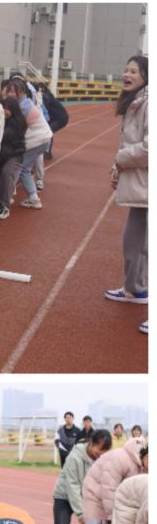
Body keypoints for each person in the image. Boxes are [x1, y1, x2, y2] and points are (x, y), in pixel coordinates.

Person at [106, 55, 148, 333]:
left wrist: (121, 160)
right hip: (143, 184)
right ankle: (136, 289)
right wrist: (118, 166)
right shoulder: (136, 102)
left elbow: (148, 148)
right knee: (132, 241)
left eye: (134, 71)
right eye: (126, 69)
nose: (127, 74)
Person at [51, 429, 112, 524]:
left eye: (105, 451)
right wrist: (80, 513)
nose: (101, 454)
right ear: (91, 443)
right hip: (64, 496)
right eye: (100, 449)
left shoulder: (102, 460)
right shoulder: (75, 457)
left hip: (88, 496)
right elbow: (72, 485)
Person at [4, 77, 52, 211]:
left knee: (18, 166)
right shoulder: (25, 102)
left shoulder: (22, 106)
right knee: (25, 168)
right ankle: (33, 198)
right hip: (43, 138)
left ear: (21, 92)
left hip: (37, 140)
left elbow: (17, 127)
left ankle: (6, 196)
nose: (9, 94)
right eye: (9, 91)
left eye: (12, 91)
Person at [0, 96, 26, 220]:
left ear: (13, 110)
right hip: (0, 156)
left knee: (6, 173)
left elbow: (4, 135)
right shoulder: (1, 119)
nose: (4, 111)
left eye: (7, 108)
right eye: (3, 108)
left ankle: (4, 205)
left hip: (14, 156)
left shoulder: (18, 123)